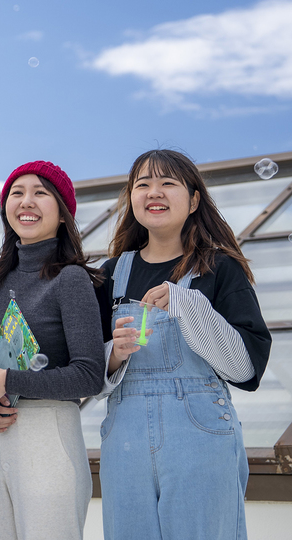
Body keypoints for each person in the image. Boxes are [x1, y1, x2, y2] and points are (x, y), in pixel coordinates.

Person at [95, 149, 272, 540]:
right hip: (125, 441)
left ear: (193, 200)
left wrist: (188, 305)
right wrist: (113, 356)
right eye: (142, 184)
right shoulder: (109, 274)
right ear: (132, 199)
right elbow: (86, 371)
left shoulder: (219, 268)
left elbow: (246, 369)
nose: (153, 192)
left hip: (200, 436)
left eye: (167, 183)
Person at [0, 161, 105, 540]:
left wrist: (8, 379)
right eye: (17, 192)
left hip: (49, 434)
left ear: (62, 212)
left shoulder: (71, 279)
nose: (27, 201)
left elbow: (89, 374)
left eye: (41, 192)